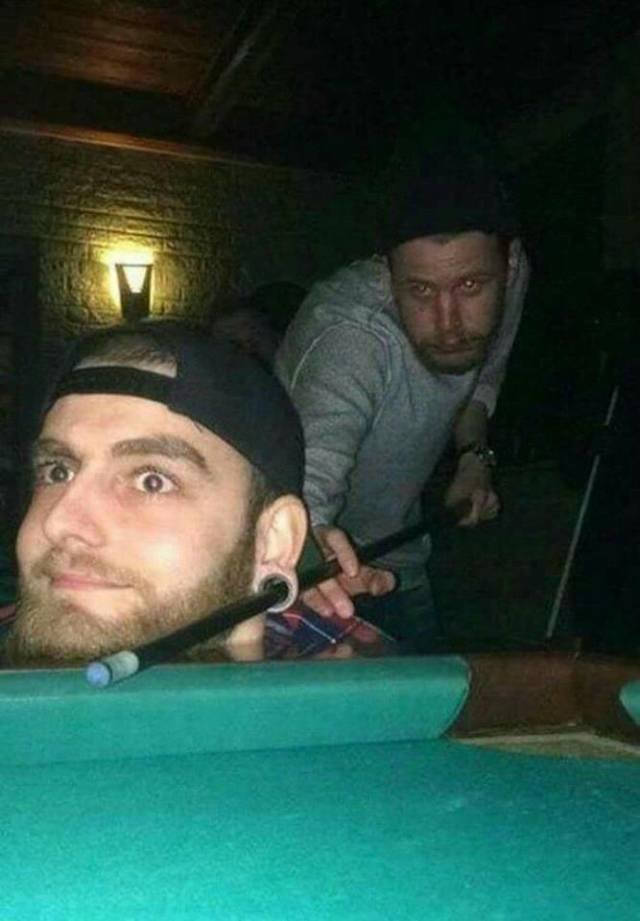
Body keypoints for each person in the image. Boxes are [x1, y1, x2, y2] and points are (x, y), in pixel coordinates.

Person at [276, 148, 529, 650]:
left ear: (510, 264)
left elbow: (483, 378)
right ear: (388, 275)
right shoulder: (352, 338)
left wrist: (473, 456)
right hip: (318, 579)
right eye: (420, 291)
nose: (449, 323)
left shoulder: (513, 279)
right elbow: (306, 487)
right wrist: (305, 553)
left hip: (403, 557)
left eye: (470, 285)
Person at [1, 320, 309, 668]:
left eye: (152, 481)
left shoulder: (349, 686)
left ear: (274, 541)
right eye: (58, 472)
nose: (59, 523)